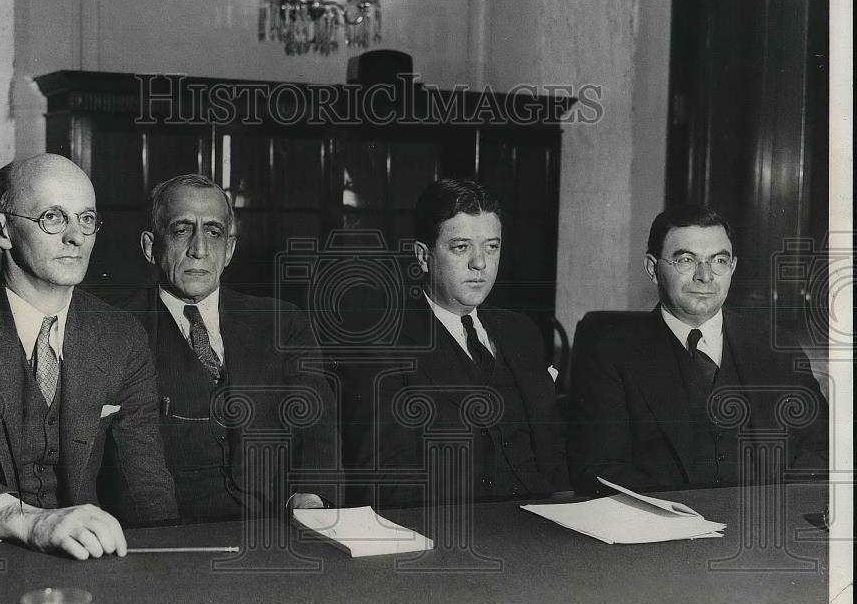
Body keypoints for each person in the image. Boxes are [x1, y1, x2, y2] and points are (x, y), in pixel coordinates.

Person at [0, 154, 177, 559]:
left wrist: (163, 569)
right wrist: (27, 520)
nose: (77, 237)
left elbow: (145, 480)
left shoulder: (121, 335)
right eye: (54, 218)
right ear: (1, 229)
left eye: (87, 218)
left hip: (81, 565)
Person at [117, 174, 337, 523]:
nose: (199, 249)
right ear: (150, 246)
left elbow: (316, 427)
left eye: (214, 232)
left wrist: (309, 497)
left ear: (230, 249)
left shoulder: (282, 322)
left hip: (276, 529)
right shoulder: (118, 330)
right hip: (174, 536)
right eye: (182, 230)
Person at [566, 204, 829, 494]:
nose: (705, 276)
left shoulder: (776, 347)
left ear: (732, 267)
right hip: (664, 529)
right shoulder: (610, 355)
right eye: (686, 260)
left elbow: (820, 450)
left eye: (718, 261)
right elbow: (598, 469)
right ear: (653, 269)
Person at [345, 179, 569, 509]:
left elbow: (552, 457)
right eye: (461, 247)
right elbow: (384, 487)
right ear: (423, 256)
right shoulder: (382, 345)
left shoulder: (520, 332)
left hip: (542, 527)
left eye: (491, 247)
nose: (480, 264)